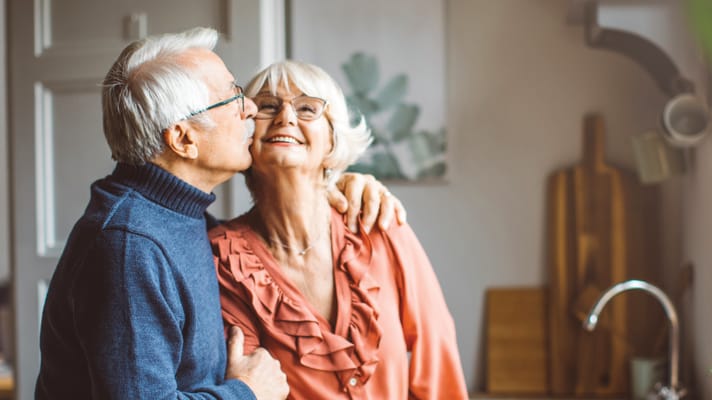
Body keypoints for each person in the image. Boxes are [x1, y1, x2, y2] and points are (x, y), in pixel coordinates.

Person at [36, 28, 404, 400]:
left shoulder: (176, 216)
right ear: (184, 140)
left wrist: (336, 184)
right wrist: (247, 393)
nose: (250, 109)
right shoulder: (129, 247)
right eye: (233, 97)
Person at [210, 60, 469, 399]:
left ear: (332, 139)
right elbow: (253, 383)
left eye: (307, 108)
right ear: (246, 135)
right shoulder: (224, 259)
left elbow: (436, 352)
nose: (286, 117)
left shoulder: (378, 223)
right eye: (268, 106)